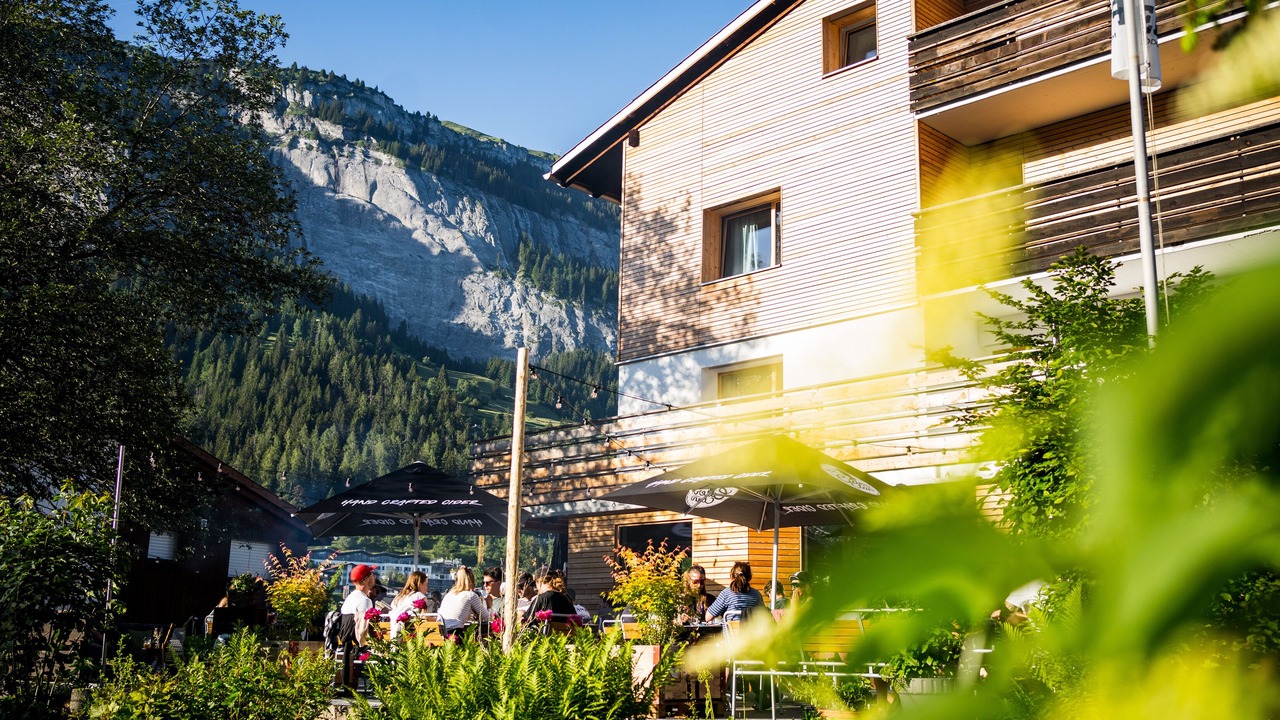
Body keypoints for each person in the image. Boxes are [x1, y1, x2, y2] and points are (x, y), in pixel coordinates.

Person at [338, 563, 378, 689]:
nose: (374, 577)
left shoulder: (350, 598)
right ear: (366, 579)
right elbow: (367, 627)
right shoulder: (365, 601)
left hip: (346, 641)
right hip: (358, 643)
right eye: (372, 574)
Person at [436, 566, 490, 633]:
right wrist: (489, 605)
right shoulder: (470, 595)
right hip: (455, 633)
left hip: (440, 632)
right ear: (471, 581)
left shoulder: (448, 595)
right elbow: (487, 617)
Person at [389, 571, 428, 640]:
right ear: (419, 584)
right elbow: (425, 617)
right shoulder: (420, 596)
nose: (426, 588)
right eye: (426, 584)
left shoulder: (399, 597)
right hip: (410, 632)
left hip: (393, 630)